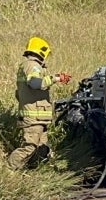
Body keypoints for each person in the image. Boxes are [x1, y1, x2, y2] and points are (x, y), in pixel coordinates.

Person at [7, 37, 71, 170]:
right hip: (34, 118)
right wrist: (55, 78)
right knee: (30, 148)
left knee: (42, 150)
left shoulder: (30, 66)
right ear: (42, 51)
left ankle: (31, 173)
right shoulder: (32, 65)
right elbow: (35, 83)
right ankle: (9, 170)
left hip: (39, 118)